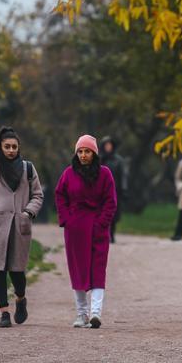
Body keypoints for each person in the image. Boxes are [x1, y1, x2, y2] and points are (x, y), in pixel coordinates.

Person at [0, 127, 44, 328]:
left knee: (17, 271)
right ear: (0, 147)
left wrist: (28, 213)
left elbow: (38, 195)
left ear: (19, 148)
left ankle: (21, 299)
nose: (11, 150)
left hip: (19, 226)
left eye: (14, 147)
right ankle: (4, 313)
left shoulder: (28, 169)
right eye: (7, 147)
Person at [54, 134, 117, 328]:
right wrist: (66, 219)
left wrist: (102, 222)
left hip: (98, 228)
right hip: (75, 229)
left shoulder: (105, 173)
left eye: (87, 151)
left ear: (94, 153)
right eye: (80, 151)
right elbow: (60, 195)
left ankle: (95, 313)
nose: (83, 155)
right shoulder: (68, 174)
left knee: (98, 269)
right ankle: (82, 314)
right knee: (78, 271)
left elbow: (110, 201)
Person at [99, 136, 128, 243]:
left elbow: (123, 175)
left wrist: (124, 189)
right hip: (101, 191)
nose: (108, 147)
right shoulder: (99, 160)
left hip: (115, 191)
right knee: (102, 213)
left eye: (109, 145)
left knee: (113, 214)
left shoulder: (119, 160)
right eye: (106, 145)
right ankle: (103, 234)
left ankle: (112, 234)